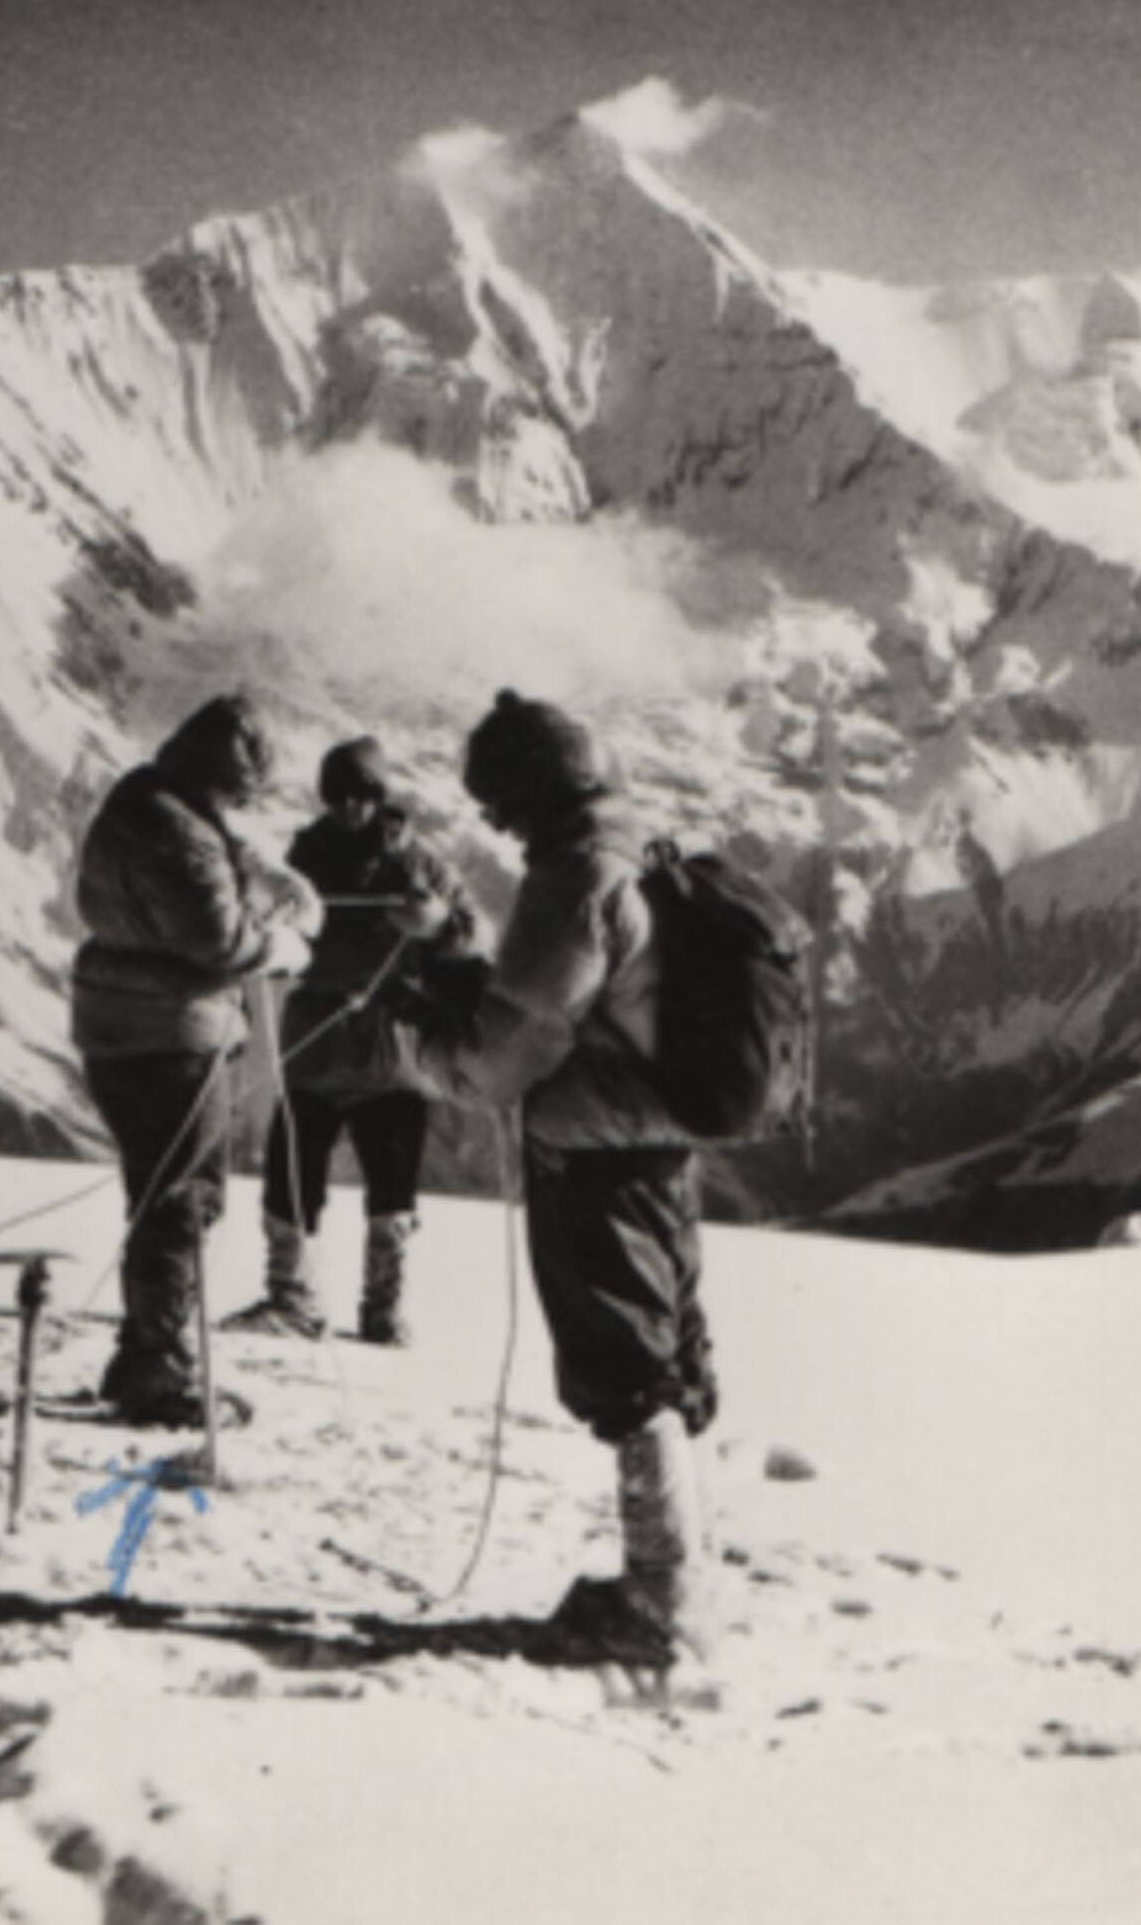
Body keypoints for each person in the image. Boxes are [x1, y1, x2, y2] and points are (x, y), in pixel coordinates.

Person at [420, 691, 716, 1662]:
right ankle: (674, 1581)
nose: (496, 828)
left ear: (532, 794)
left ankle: (659, 1611)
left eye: (499, 805)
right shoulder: (645, 850)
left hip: (593, 1147)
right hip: (662, 1139)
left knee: (625, 1372)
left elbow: (522, 1041)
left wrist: (430, 1055)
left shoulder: (573, 877)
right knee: (665, 1359)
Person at [70, 692, 319, 1428]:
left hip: (118, 1020)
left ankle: (143, 1350)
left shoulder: (144, 799)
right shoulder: (181, 830)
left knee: (159, 1193)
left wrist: (260, 873)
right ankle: (158, 1367)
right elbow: (219, 939)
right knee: (183, 1198)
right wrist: (284, 943)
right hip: (172, 1031)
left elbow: (212, 854)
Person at [221, 736, 476, 1345]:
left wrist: (439, 926)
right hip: (318, 1042)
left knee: (392, 1190)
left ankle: (381, 1311)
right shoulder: (304, 859)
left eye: (361, 795)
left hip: (389, 1047)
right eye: (339, 796)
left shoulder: (421, 866)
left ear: (379, 797)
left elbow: (469, 939)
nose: (350, 808)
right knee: (292, 1173)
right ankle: (293, 1298)